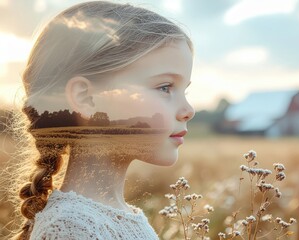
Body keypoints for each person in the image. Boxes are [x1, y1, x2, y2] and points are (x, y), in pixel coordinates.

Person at [5, 1, 195, 239]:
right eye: (165, 87)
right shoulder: (72, 227)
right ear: (86, 98)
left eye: (184, 90)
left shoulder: (114, 217)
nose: (188, 110)